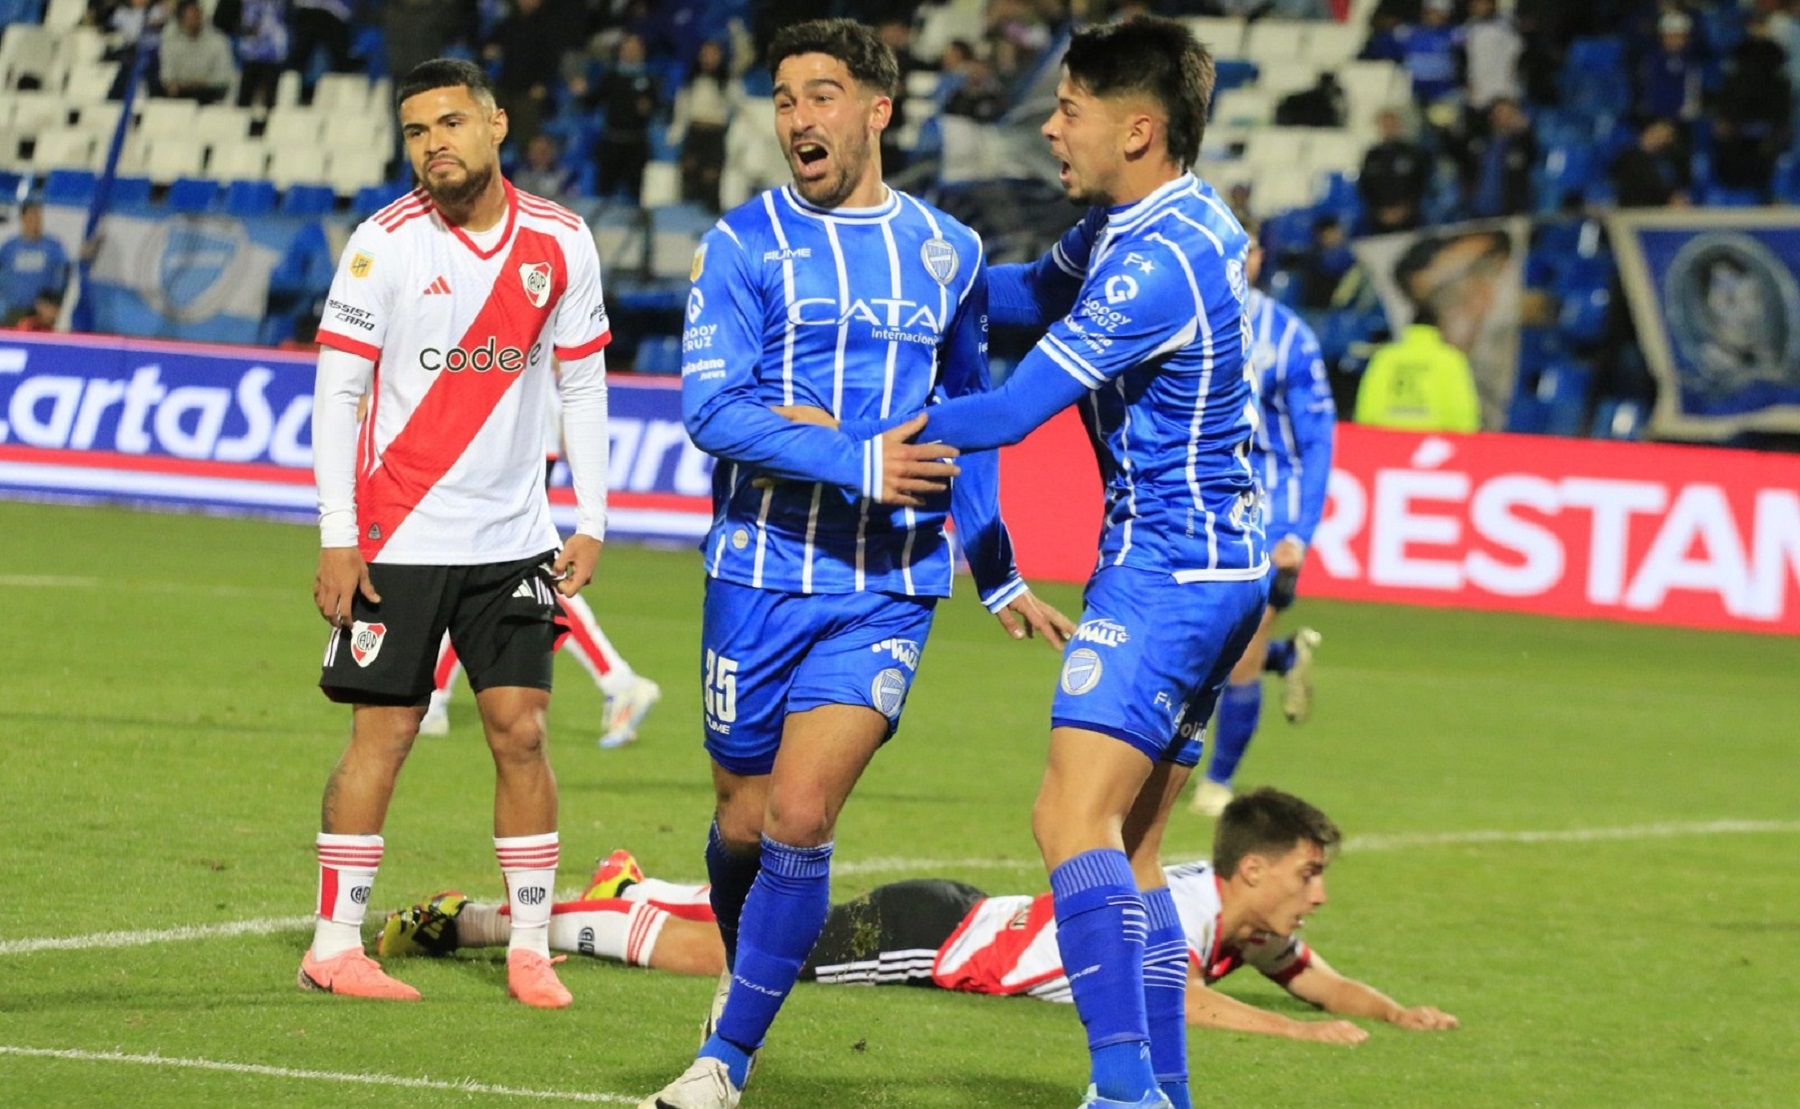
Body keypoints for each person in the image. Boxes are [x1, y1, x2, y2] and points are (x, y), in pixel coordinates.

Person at [824, 19, 1266, 1109]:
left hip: (1166, 570)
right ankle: (1160, 1087)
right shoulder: (1156, 219)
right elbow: (1020, 297)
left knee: (1067, 822)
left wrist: (874, 427)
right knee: (1137, 846)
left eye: (1069, 111)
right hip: (1221, 566)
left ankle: (1120, 1091)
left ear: (1140, 127)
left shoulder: (1153, 261)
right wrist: (928, 263)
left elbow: (1018, 410)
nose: (1051, 127)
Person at [644, 19, 1071, 1109]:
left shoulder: (947, 251)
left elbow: (963, 421)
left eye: (820, 95)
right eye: (784, 99)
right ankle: (747, 980)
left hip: (885, 587)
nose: (798, 119)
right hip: (755, 571)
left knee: (800, 813)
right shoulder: (739, 245)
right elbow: (711, 408)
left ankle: (722, 1060)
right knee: (742, 820)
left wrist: (998, 562)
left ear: (877, 109)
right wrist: (855, 455)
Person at [304, 58, 614, 1011]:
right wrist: (336, 535)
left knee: (520, 732)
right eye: (416, 131)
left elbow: (580, 383)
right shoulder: (382, 245)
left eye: (449, 123)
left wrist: (592, 516)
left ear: (496, 124)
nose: (433, 143)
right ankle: (334, 943)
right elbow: (337, 393)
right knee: (383, 735)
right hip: (397, 539)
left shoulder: (560, 240)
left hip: (514, 539)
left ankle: (528, 946)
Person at [381, 789, 1458, 1044]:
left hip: (942, 917)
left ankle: (626, 885)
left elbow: (1321, 974)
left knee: (743, 940)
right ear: (1253, 866)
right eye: (1308, 872)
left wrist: (1395, 1011)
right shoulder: (1174, 904)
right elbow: (1173, 1001)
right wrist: (1303, 1034)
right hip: (928, 938)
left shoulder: (1248, 924)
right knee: (729, 956)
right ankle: (503, 921)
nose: (1316, 891)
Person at [1190, 238, 1335, 819]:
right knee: (1203, 647)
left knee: (1239, 649)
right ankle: (1283, 658)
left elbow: (1317, 441)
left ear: (1256, 260)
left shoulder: (1290, 337)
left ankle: (1218, 782)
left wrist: (1299, 530)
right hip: (1202, 508)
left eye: (1246, 248)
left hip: (1271, 516)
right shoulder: (1184, 317)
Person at [0, 201, 70, 325]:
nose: (36, 221)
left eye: (38, 216)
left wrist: (54, 303)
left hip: (41, 312)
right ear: (23, 218)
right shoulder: (9, 247)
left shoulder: (53, 247)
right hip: (13, 310)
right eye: (31, 216)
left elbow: (63, 276)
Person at [158, 0, 236, 104]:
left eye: (196, 16)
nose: (194, 21)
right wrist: (177, 84)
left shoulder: (218, 41)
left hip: (210, 93)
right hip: (181, 93)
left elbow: (224, 77)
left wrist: (204, 83)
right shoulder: (171, 41)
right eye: (190, 17)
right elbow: (167, 75)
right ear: (181, 20)